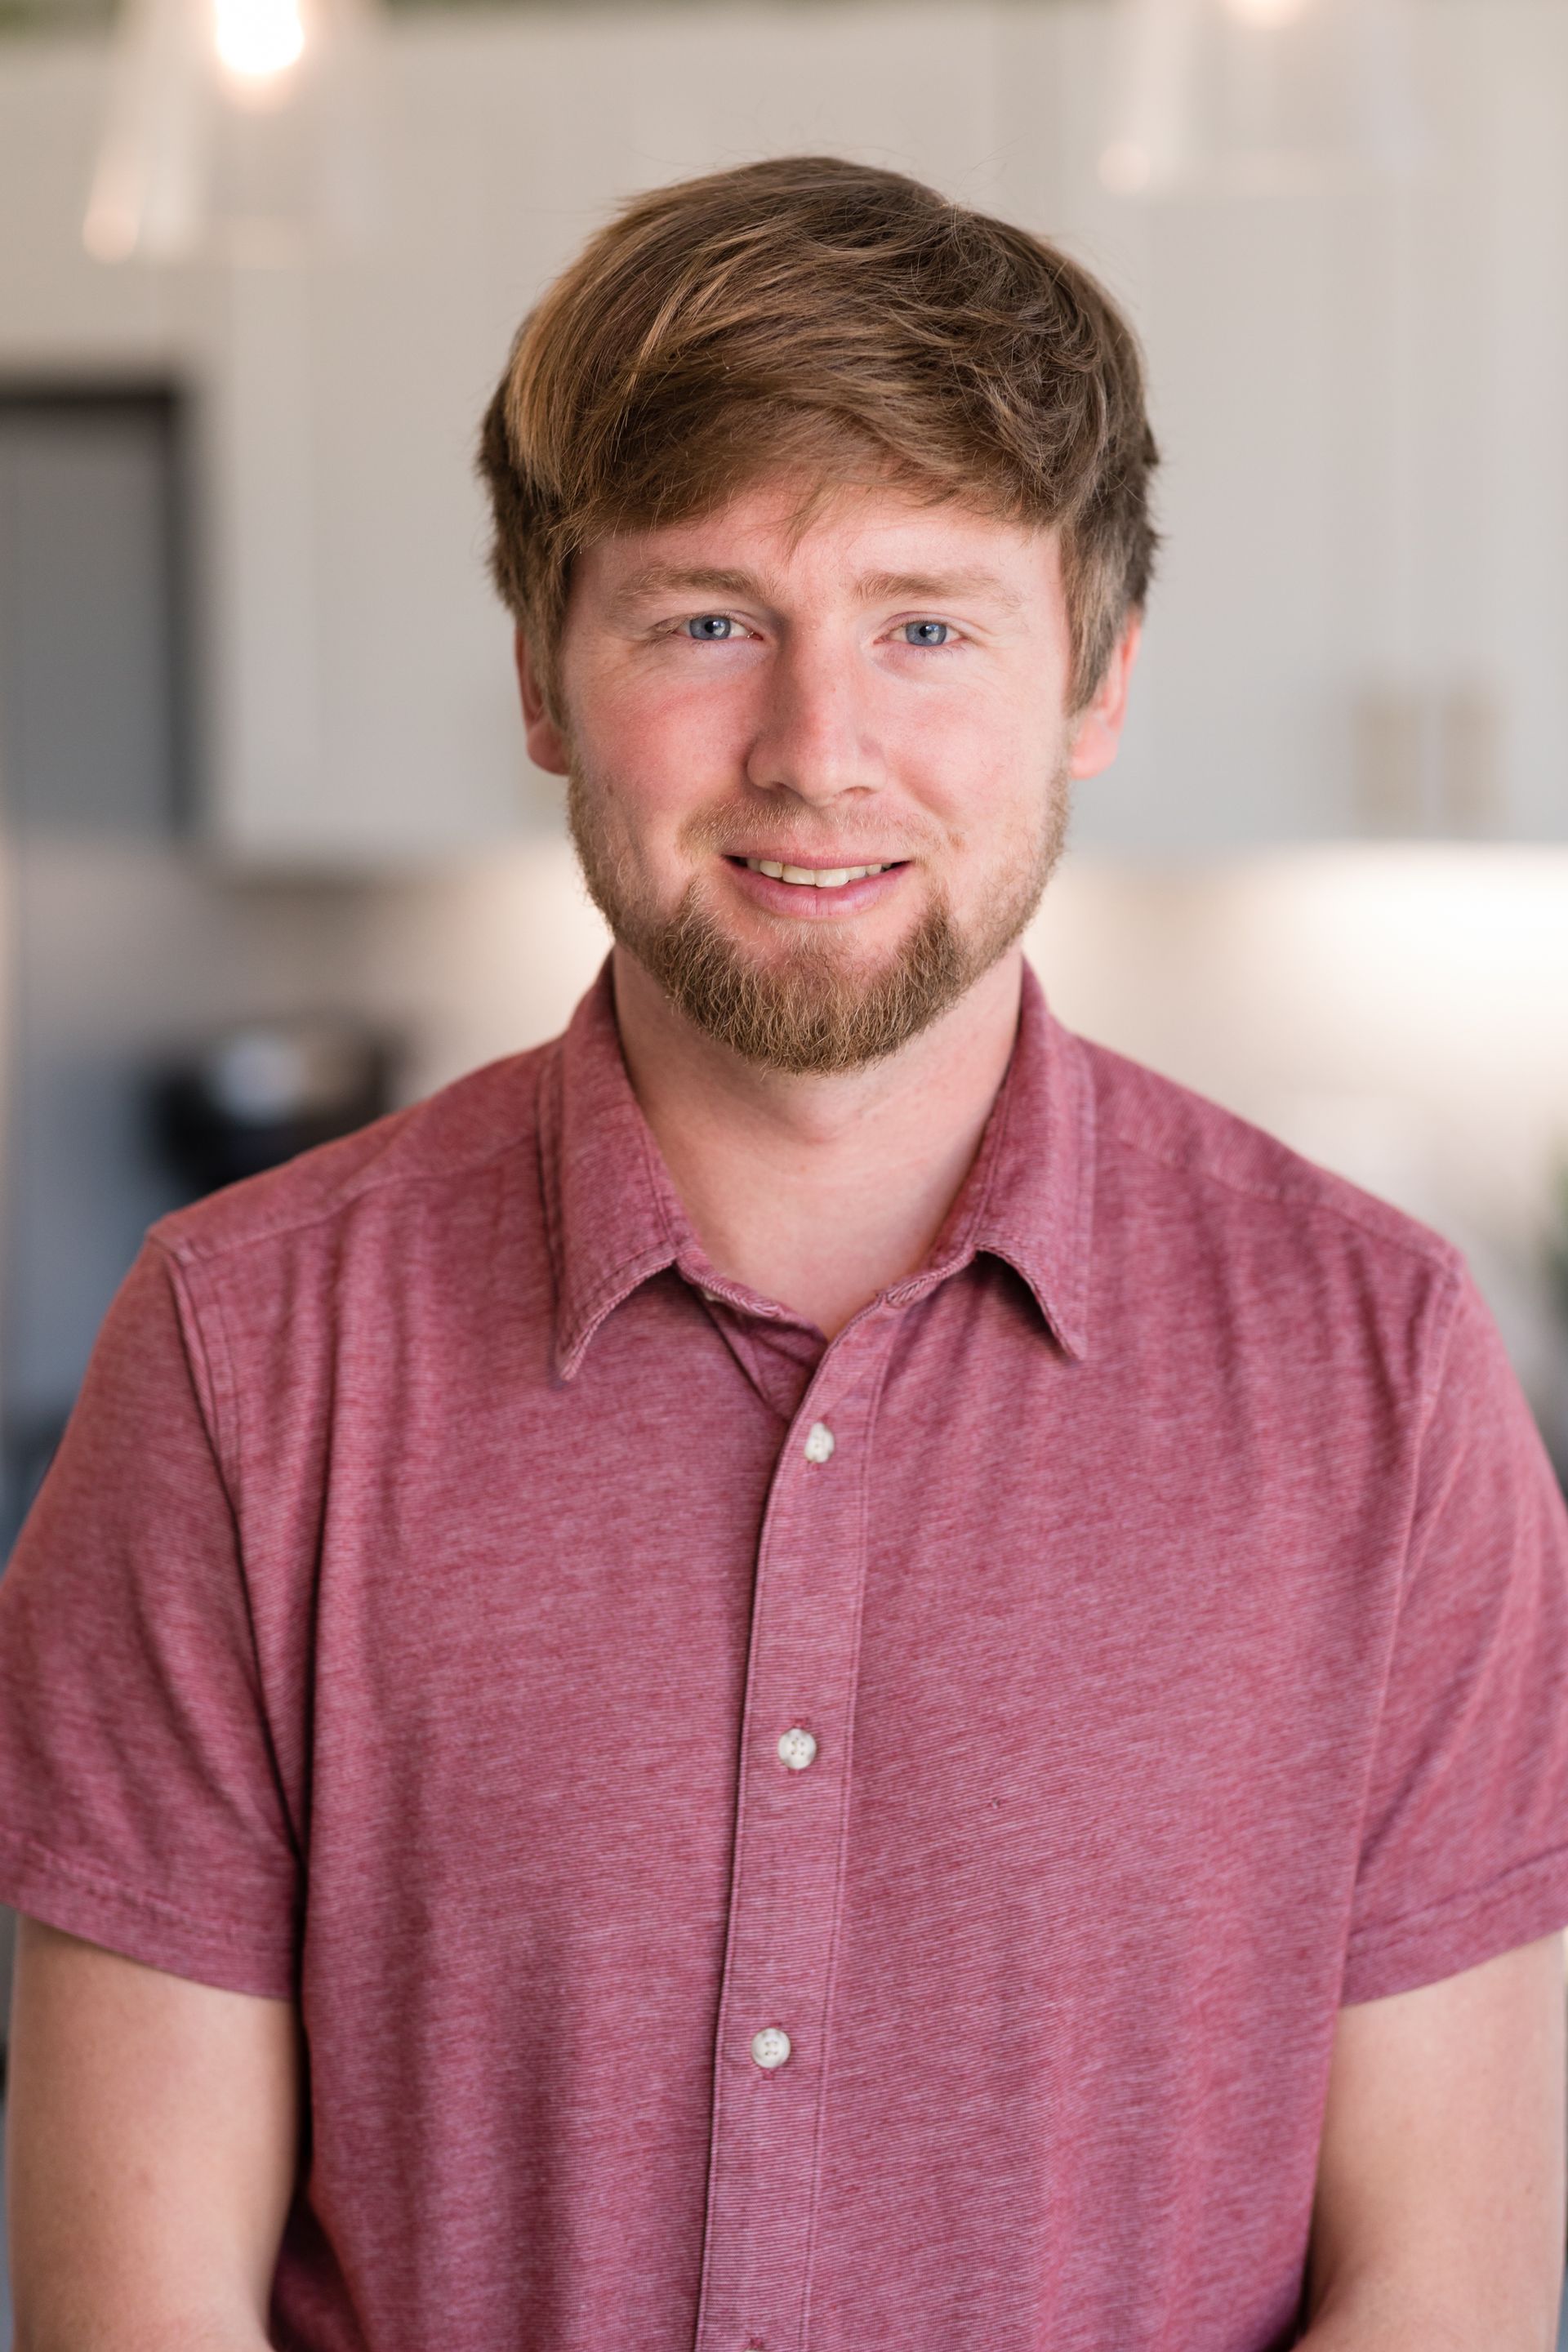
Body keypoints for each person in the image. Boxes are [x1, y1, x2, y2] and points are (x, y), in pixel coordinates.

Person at [2, 154, 1566, 2352]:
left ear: (1096, 684)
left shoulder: (1386, 1376)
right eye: (707, 619)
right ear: (547, 672)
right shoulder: (242, 1364)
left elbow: (1447, 2300)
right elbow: (134, 2313)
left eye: (929, 626)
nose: (818, 752)